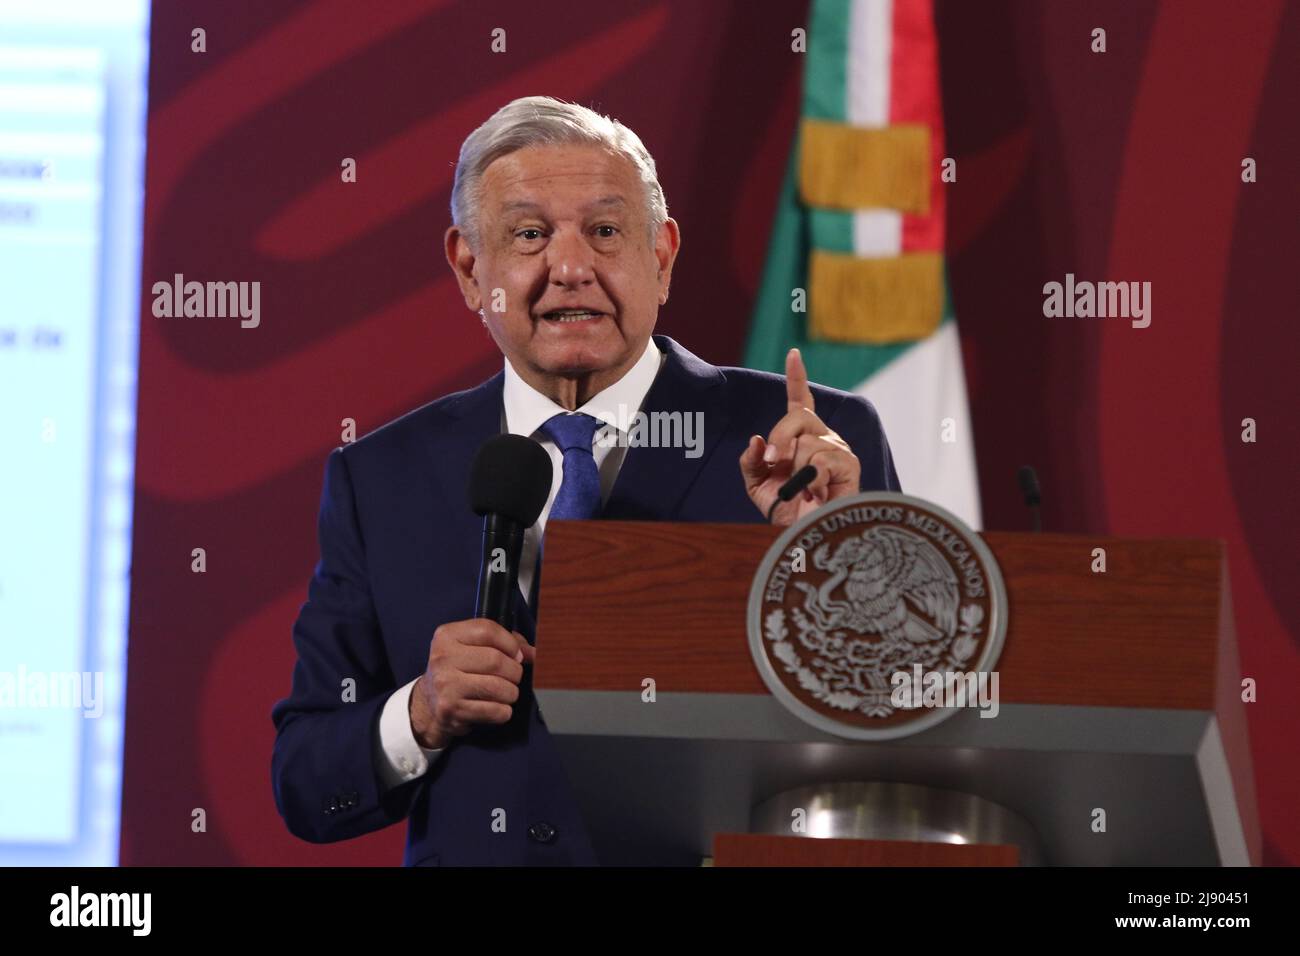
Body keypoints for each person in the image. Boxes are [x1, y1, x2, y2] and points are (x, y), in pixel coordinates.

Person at [271, 95, 901, 866]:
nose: (571, 269)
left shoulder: (807, 447)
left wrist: (830, 553)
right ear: (472, 269)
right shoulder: (382, 478)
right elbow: (304, 780)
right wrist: (422, 712)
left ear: (662, 257)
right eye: (530, 235)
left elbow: (907, 719)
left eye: (605, 232)